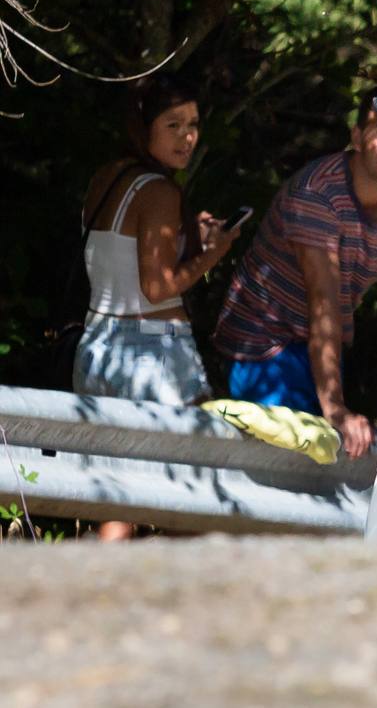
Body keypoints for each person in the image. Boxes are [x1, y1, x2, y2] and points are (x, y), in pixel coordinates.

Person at [213, 83, 377, 458]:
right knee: (290, 468)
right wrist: (336, 410)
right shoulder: (318, 194)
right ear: (356, 137)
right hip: (263, 344)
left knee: (327, 463)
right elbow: (323, 300)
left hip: (320, 346)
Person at [74, 75, 242, 540]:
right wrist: (213, 253)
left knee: (117, 497)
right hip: (155, 353)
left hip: (98, 345)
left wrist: (191, 236)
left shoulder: (108, 180)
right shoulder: (160, 192)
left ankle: (91, 598)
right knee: (200, 485)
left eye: (193, 124)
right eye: (173, 125)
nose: (187, 136)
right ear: (144, 128)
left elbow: (124, 259)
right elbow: (156, 286)